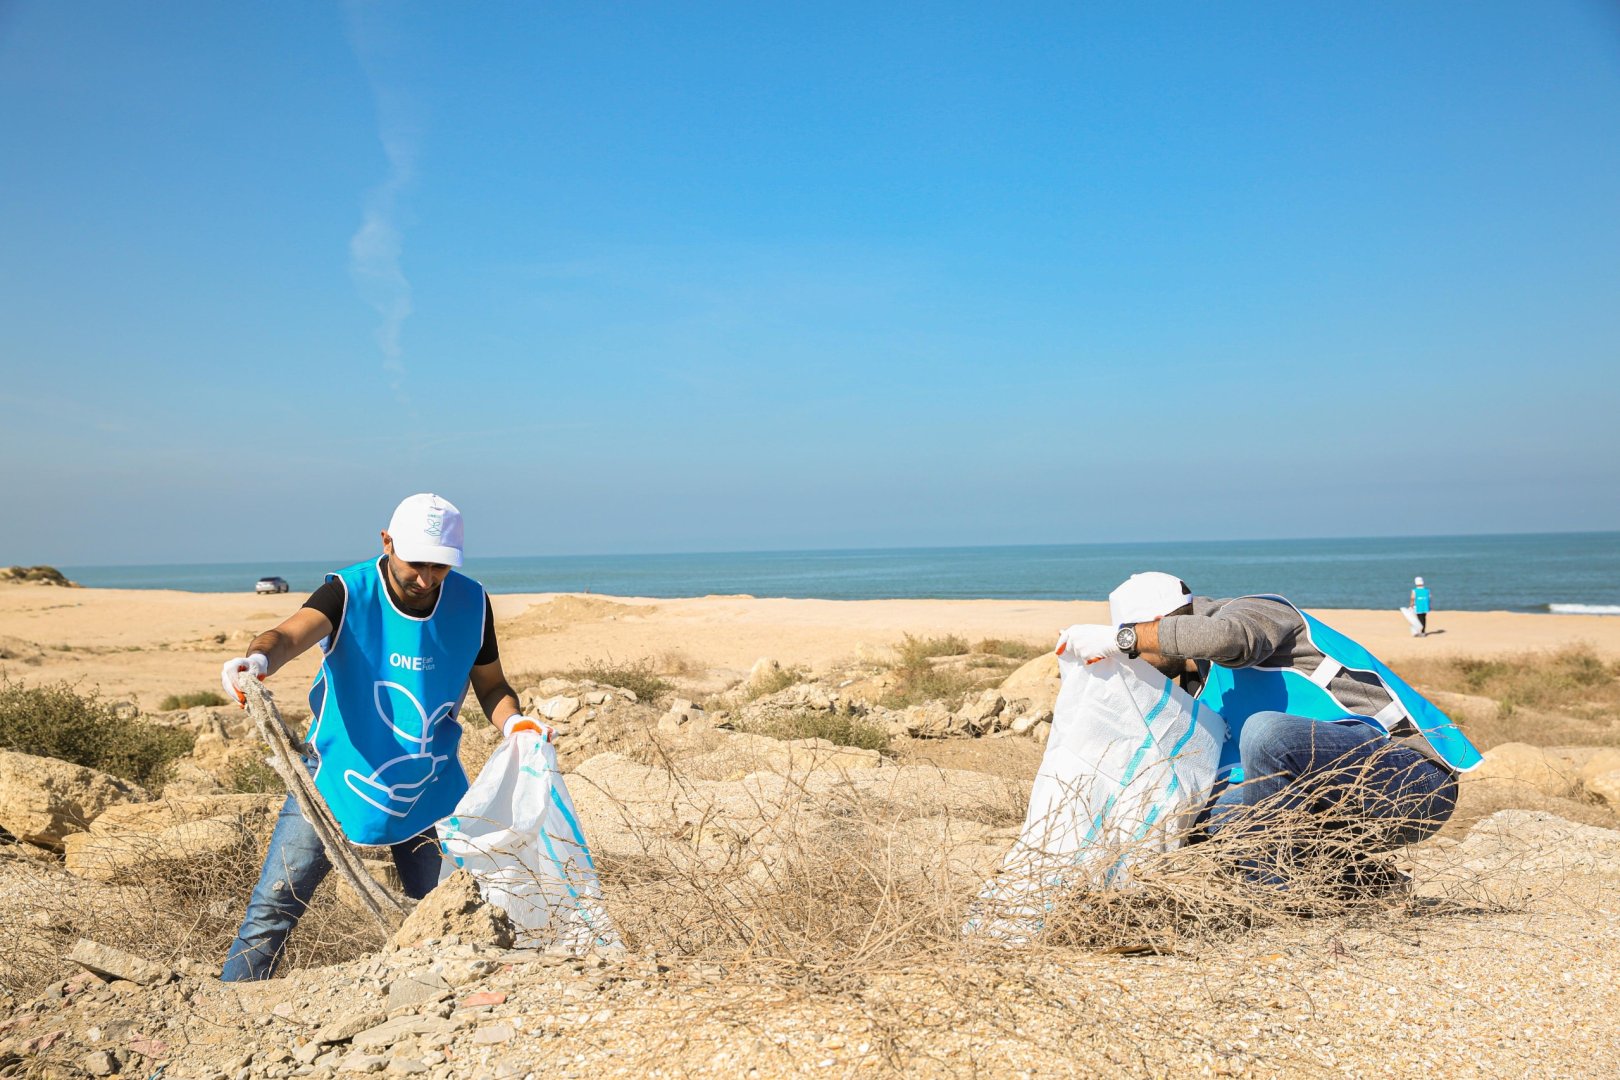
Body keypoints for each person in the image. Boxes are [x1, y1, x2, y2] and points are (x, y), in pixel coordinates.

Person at [217, 493, 543, 981]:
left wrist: (515, 723)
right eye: (416, 564)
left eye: (440, 567)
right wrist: (257, 661)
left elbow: (492, 685)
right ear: (387, 542)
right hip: (337, 777)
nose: (426, 578)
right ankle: (230, 1010)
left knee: (441, 920)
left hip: (428, 789)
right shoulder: (348, 591)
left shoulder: (472, 602)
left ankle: (435, 1016)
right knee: (273, 908)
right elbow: (286, 636)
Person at [1059, 572, 1481, 894]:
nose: (1137, 661)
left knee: (1266, 732)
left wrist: (1121, 639)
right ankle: (1366, 883)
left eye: (1138, 648)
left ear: (1163, 625)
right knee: (1214, 814)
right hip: (1337, 815)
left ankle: (1275, 893)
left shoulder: (1255, 614)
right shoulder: (1197, 698)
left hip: (1411, 780)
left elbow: (1228, 638)